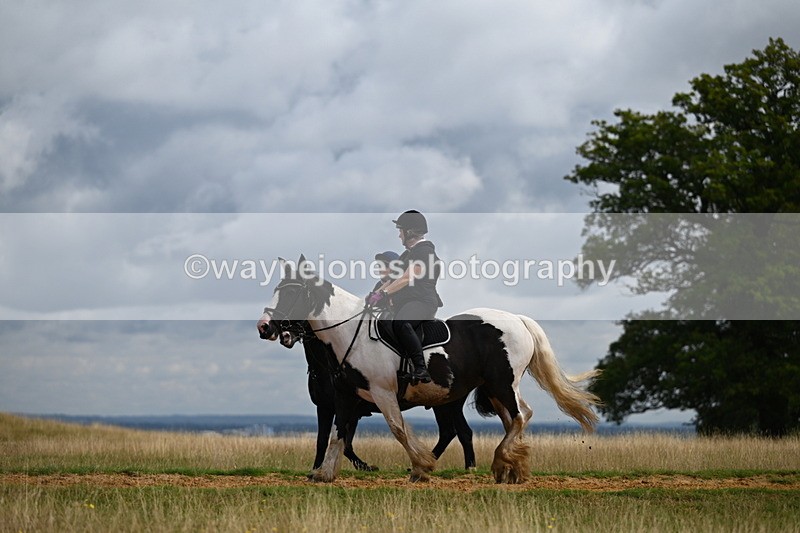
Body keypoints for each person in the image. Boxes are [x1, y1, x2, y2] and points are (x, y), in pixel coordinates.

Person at [366, 210, 443, 385]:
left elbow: (407, 277)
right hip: (409, 301)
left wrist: (384, 293)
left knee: (402, 322)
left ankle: (421, 369)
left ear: (409, 232)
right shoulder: (407, 255)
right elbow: (392, 279)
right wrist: (374, 295)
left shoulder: (425, 252)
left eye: (400, 230)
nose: (399, 235)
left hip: (423, 301)